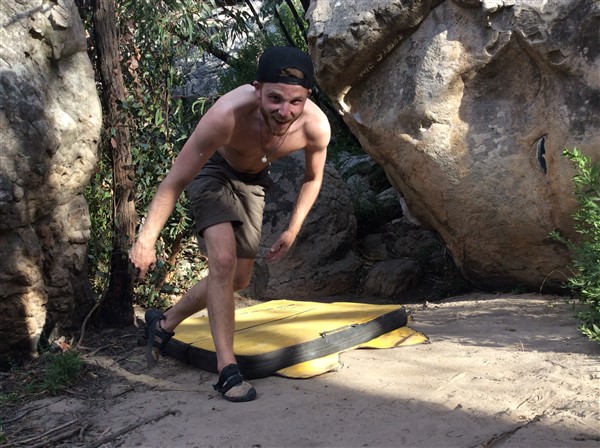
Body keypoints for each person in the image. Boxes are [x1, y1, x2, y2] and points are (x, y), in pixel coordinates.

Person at [128, 46, 331, 403]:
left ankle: (163, 323)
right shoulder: (226, 116)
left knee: (239, 278)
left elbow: (312, 178)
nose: (284, 111)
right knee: (222, 262)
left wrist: (293, 228)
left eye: (295, 101)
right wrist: (146, 239)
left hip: (253, 181)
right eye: (275, 98)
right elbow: (174, 181)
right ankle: (227, 370)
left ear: (307, 97)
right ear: (256, 89)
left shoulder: (316, 127)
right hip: (213, 173)